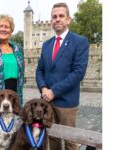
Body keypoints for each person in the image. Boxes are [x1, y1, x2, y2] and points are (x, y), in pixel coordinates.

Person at [36, 2, 89, 150]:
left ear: (68, 19)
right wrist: (43, 88)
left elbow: (78, 72)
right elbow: (40, 70)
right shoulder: (46, 44)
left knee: (70, 141)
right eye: (54, 17)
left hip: (67, 103)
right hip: (47, 101)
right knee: (52, 138)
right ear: (51, 21)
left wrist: (54, 91)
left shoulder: (79, 41)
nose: (57, 19)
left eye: (61, 16)